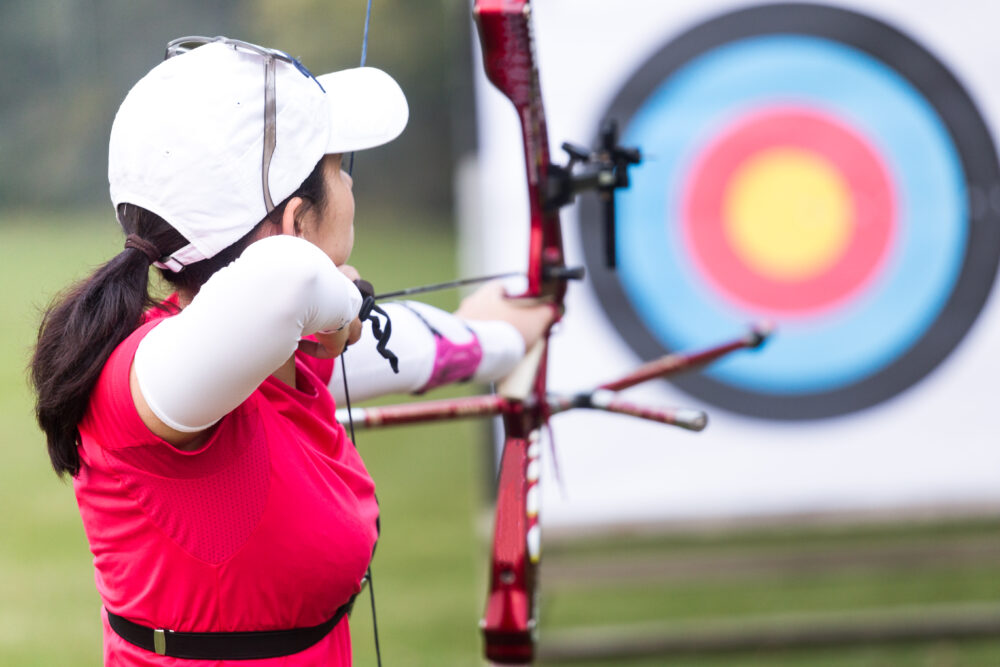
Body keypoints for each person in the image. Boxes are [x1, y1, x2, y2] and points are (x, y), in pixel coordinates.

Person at [30, 36, 553, 665]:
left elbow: (409, 351)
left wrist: (501, 336)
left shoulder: (268, 356)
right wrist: (340, 302)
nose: (350, 186)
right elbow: (285, 280)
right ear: (296, 220)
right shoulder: (145, 379)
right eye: (339, 168)